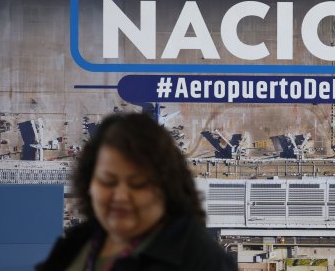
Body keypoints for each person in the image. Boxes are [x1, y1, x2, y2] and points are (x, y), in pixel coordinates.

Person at [37, 112, 237, 271]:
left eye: (138, 184)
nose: (120, 196)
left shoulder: (202, 261)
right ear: (89, 185)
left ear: (166, 187)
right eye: (107, 182)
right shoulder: (75, 245)